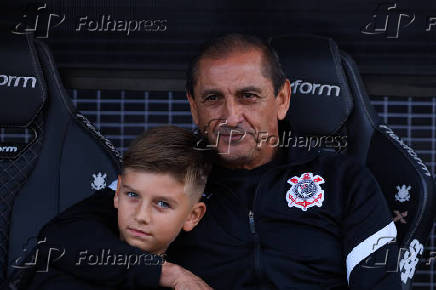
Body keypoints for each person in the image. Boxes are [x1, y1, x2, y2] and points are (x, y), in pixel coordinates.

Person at [17, 33, 401, 289]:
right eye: (213, 98)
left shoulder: (343, 180)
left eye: (248, 96)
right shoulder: (174, 174)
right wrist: (165, 273)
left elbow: (378, 282)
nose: (231, 116)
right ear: (193, 106)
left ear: (282, 99)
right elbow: (60, 238)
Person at [20, 126, 213, 290]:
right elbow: (57, 236)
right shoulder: (61, 270)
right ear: (117, 192)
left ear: (192, 216)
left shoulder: (201, 268)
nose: (141, 216)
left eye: (162, 204)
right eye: (132, 195)